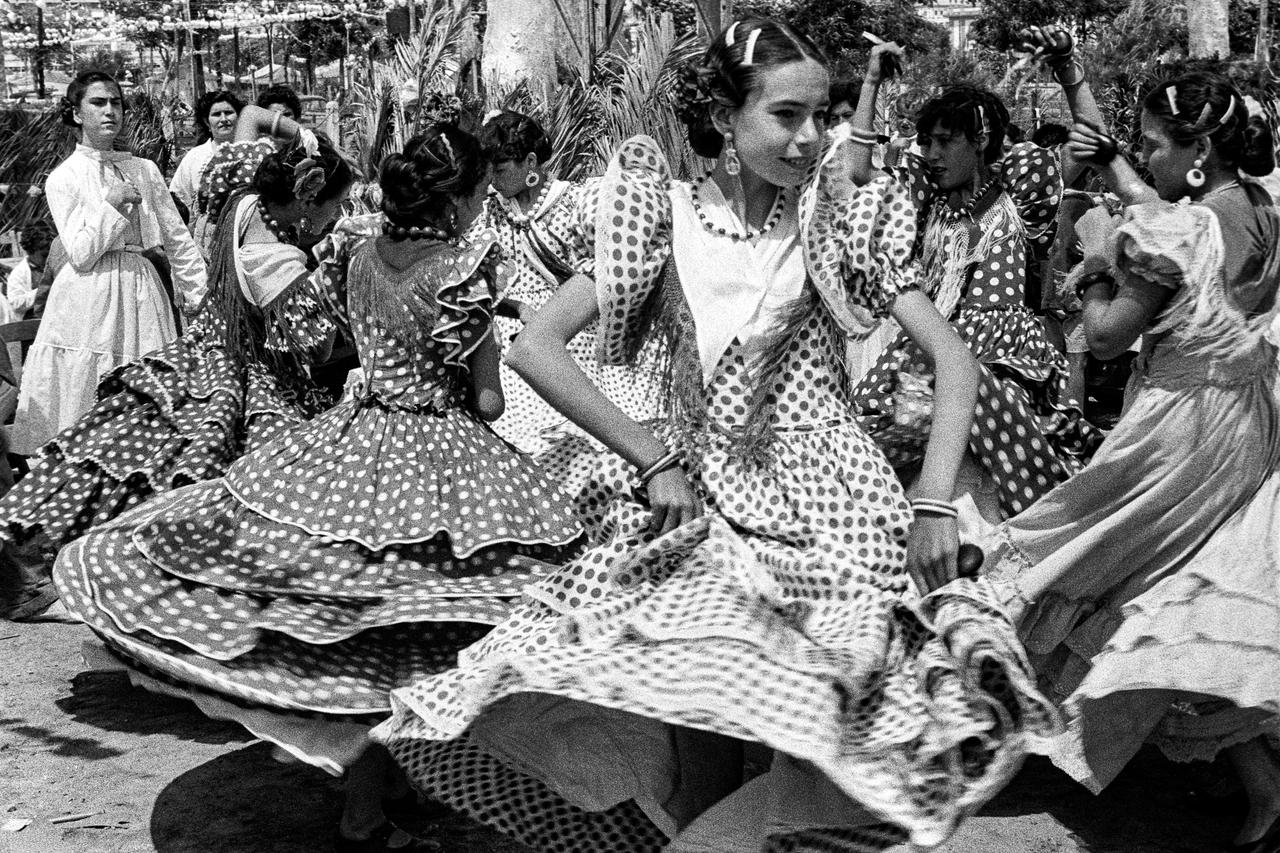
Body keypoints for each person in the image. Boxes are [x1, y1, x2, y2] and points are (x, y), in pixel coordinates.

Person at [373, 19, 1056, 853]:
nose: (812, 137)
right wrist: (651, 456)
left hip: (832, 515)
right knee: (702, 742)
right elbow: (535, 349)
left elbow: (955, 358)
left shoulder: (840, 224)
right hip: (705, 511)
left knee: (821, 752)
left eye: (822, 115)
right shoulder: (657, 219)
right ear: (727, 120)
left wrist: (935, 501)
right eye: (788, 116)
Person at [52, 123, 584, 852]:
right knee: (412, 637)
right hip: (441, 459)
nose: (481, 208)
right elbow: (489, 401)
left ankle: (392, 778)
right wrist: (478, 352)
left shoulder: (355, 253)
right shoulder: (463, 268)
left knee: (369, 623)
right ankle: (366, 808)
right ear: (458, 201)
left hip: (353, 445)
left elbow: (329, 336)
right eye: (479, 196)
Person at [981, 26, 1280, 853]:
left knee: (1074, 557)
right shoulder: (1254, 206)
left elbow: (1109, 337)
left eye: (1153, 144)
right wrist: (1079, 89)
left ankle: (986, 725)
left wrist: (1091, 259)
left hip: (1176, 434)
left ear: (1196, 150)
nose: (1140, 158)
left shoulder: (1177, 228)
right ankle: (1256, 780)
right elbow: (1164, 207)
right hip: (1245, 422)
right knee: (1184, 596)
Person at [0, 104, 352, 617]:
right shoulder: (280, 261)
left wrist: (300, 136)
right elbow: (310, 346)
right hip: (244, 379)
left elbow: (251, 116)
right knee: (246, 481)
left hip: (192, 359)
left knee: (119, 459)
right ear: (304, 200)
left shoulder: (240, 196)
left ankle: (25, 556)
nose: (337, 218)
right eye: (335, 205)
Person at [846, 48, 1097, 522]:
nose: (931, 154)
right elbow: (859, 170)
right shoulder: (923, 195)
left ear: (980, 140)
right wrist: (871, 80)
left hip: (1006, 354)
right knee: (870, 442)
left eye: (944, 141)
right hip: (933, 346)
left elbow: (1092, 145)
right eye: (925, 142)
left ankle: (1037, 530)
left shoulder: (1022, 187)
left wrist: (1069, 74)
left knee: (992, 408)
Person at [9, 70, 207, 457]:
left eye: (115, 102)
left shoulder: (144, 170)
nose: (109, 110)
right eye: (98, 102)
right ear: (77, 113)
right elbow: (81, 253)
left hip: (140, 288)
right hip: (86, 296)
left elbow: (178, 239)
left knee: (148, 381)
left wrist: (200, 297)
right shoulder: (63, 177)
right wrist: (111, 205)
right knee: (84, 387)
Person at [475, 110, 658, 456]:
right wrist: (518, 308)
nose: (493, 182)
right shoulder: (490, 214)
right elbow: (479, 282)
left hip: (578, 329)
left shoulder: (576, 204)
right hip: (513, 334)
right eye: (489, 173)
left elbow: (605, 280)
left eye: (499, 170)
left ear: (530, 162)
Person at [169, 90, 244, 215]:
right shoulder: (195, 157)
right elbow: (178, 198)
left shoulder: (250, 153)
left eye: (229, 113)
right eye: (216, 114)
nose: (224, 119)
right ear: (206, 122)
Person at [4, 219, 53, 318]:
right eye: (44, 255)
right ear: (31, 250)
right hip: (33, 322)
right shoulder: (19, 274)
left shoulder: (54, 266)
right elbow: (15, 303)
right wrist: (41, 291)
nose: (48, 259)